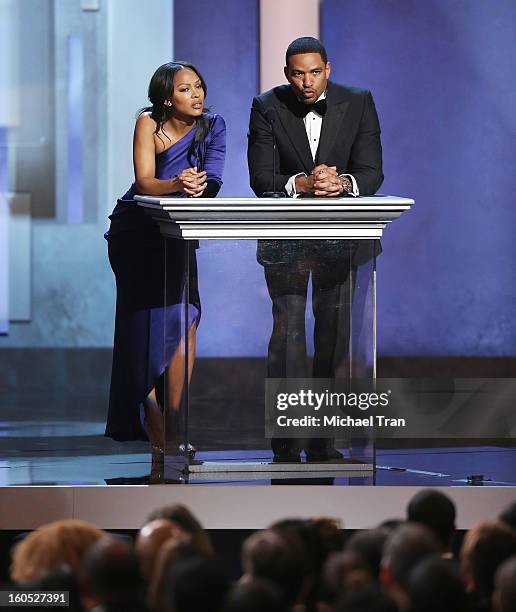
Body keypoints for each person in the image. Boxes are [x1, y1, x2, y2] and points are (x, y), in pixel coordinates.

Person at [247, 37, 383, 463]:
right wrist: (301, 184)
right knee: (287, 334)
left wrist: (339, 185)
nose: (306, 81)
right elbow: (260, 177)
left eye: (314, 71)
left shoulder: (358, 101)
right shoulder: (266, 105)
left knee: (333, 336)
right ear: (287, 73)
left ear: (328, 67)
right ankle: (287, 441)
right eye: (297, 73)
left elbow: (372, 171)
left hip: (341, 238)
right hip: (285, 240)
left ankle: (324, 440)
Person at [104, 62, 226, 461]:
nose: (197, 94)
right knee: (144, 328)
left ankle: (173, 419)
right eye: (186, 89)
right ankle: (152, 414)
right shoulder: (148, 123)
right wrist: (177, 184)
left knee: (186, 320)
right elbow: (144, 181)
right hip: (137, 233)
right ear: (165, 98)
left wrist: (198, 187)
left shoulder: (214, 126)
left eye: (199, 86)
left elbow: (215, 178)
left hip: (179, 234)